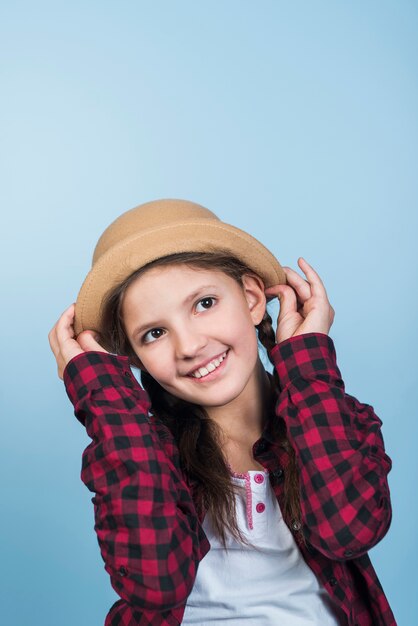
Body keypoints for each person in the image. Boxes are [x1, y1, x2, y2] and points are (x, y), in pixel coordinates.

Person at [48, 198, 397, 626]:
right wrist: (106, 400)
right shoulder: (140, 452)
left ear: (252, 299)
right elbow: (155, 585)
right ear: (134, 359)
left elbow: (350, 530)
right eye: (154, 333)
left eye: (204, 304)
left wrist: (307, 366)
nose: (189, 346)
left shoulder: (330, 415)